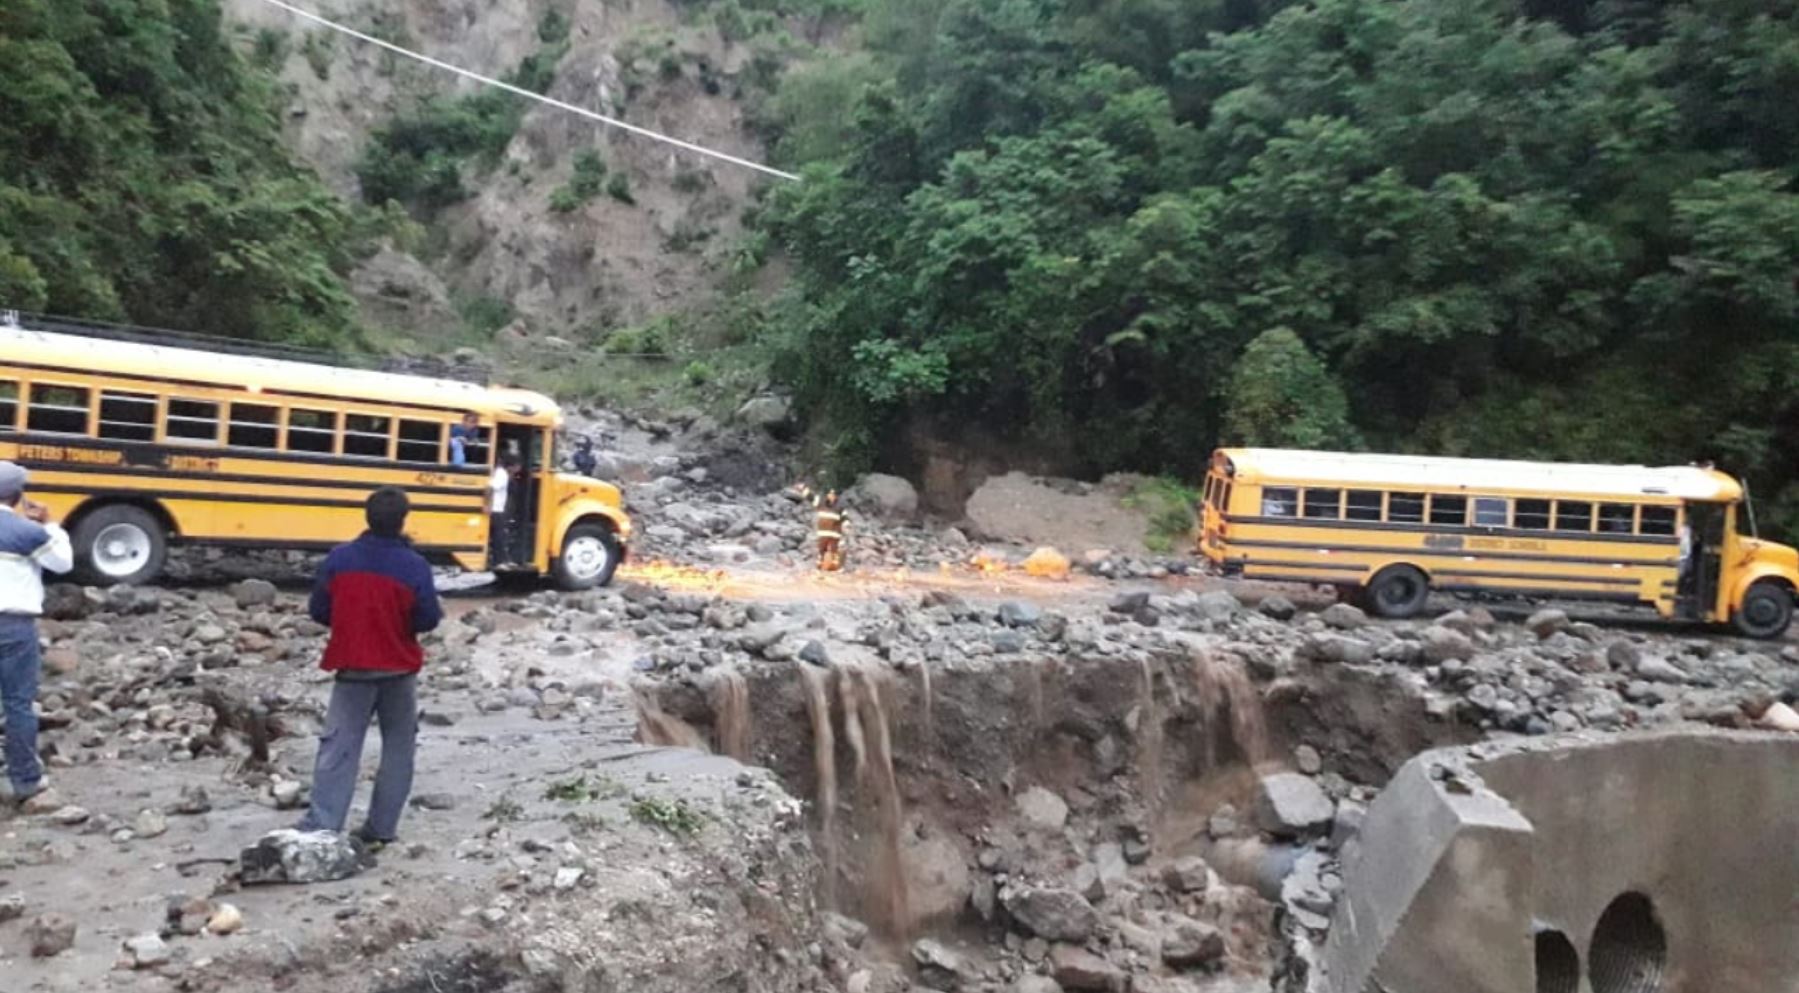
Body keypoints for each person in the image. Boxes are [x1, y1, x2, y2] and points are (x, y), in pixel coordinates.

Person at [295, 488, 442, 848]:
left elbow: (319, 610)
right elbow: (426, 619)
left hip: (353, 666)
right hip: (398, 669)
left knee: (339, 746)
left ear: (367, 517)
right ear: (403, 521)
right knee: (398, 748)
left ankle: (323, 824)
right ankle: (382, 827)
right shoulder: (414, 566)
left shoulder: (339, 559)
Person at [0, 463, 72, 805]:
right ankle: (25, 780)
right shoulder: (27, 532)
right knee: (17, 704)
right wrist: (51, 525)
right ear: (17, 496)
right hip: (14, 627)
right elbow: (62, 563)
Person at [489, 453, 520, 568]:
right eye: (517, 466)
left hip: (499, 508)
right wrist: (488, 505)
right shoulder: (501, 475)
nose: (519, 469)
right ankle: (498, 562)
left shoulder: (504, 473)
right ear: (511, 466)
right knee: (499, 535)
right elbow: (490, 488)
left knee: (501, 534)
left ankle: (503, 559)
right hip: (496, 509)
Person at [813, 489, 846, 572]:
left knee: (835, 550)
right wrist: (803, 489)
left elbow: (845, 517)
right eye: (830, 494)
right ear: (827, 495)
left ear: (836, 496)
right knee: (821, 550)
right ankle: (819, 566)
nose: (831, 496)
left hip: (835, 533)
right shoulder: (821, 504)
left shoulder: (840, 506)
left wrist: (846, 524)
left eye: (833, 495)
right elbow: (811, 497)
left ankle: (836, 567)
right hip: (823, 532)